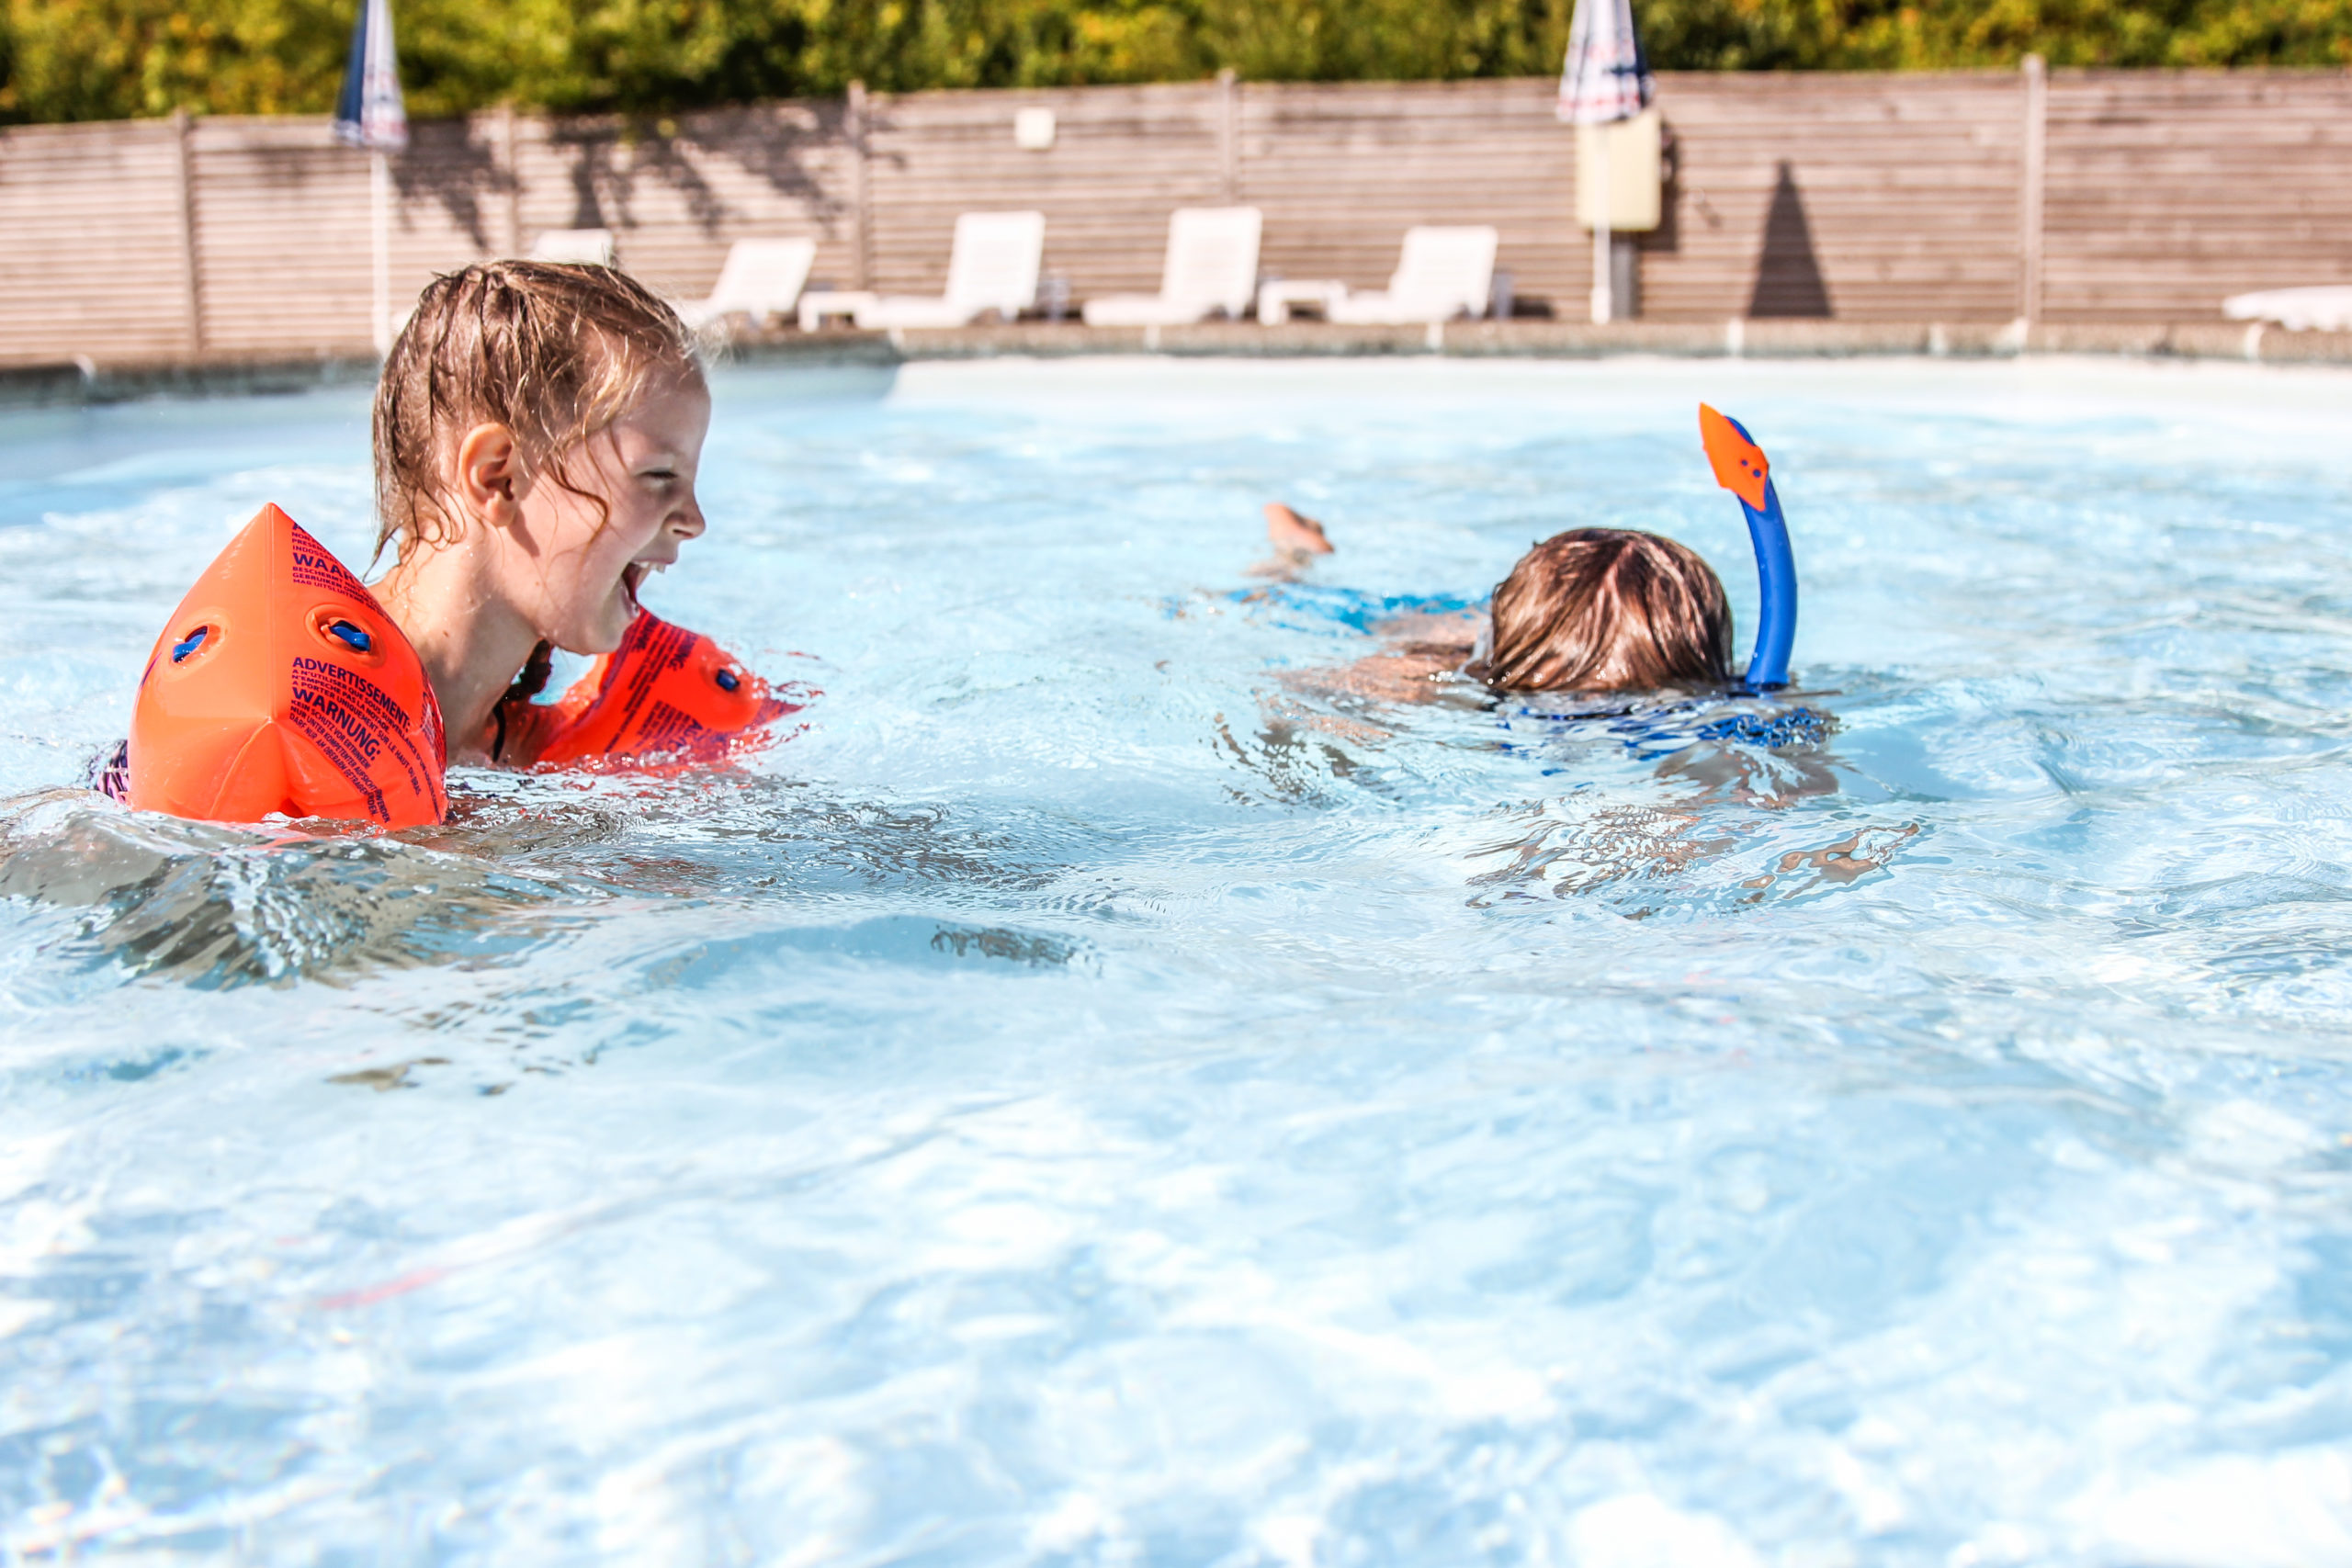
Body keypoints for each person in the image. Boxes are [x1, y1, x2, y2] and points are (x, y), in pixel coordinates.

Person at [367, 260, 713, 767]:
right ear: (498, 478)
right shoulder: (300, 724)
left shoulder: (526, 749)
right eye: (660, 475)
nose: (694, 521)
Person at [1265, 506, 1734, 705]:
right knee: (1277, 595)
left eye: (1635, 702)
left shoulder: (1731, 699)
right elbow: (1286, 698)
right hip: (1448, 635)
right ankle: (1295, 550)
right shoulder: (1428, 674)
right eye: (1569, 699)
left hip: (1519, 630)